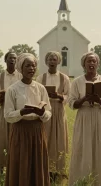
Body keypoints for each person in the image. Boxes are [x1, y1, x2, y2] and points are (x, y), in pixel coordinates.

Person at [4, 53, 51, 186]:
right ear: (21, 68)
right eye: (28, 65)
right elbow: (7, 115)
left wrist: (42, 113)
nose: (31, 68)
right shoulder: (13, 89)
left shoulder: (40, 88)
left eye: (34, 65)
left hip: (37, 131)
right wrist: (21, 112)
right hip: (20, 130)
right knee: (21, 163)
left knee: (37, 163)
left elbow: (49, 113)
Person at [67, 52, 101, 186]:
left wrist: (99, 99)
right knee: (82, 147)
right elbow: (71, 103)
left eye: (94, 61)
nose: (91, 64)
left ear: (97, 64)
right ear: (84, 64)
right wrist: (84, 99)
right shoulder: (77, 81)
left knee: (99, 148)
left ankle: (98, 182)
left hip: (99, 116)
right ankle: (81, 181)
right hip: (84, 116)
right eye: (89, 61)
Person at [36, 51, 71, 181]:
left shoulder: (64, 78)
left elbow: (69, 95)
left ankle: (58, 172)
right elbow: (36, 94)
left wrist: (59, 96)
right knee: (45, 138)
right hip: (45, 109)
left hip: (59, 110)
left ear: (58, 61)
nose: (52, 61)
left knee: (59, 139)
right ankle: (44, 170)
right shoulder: (40, 78)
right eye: (50, 59)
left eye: (54, 59)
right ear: (46, 61)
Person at [0, 51, 22, 171]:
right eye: (10, 58)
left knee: (18, 139)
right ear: (5, 60)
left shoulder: (21, 76)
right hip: (4, 110)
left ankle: (17, 166)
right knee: (3, 139)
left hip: (18, 110)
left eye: (15, 58)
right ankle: (1, 167)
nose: (12, 60)